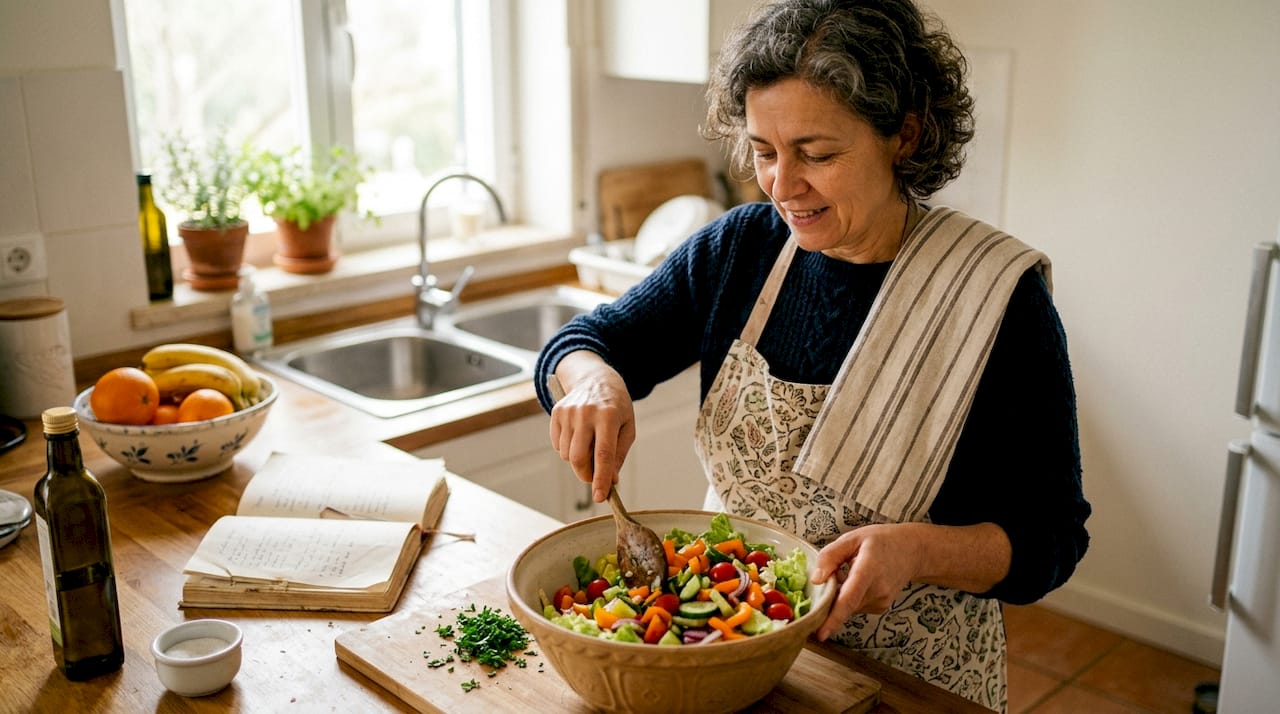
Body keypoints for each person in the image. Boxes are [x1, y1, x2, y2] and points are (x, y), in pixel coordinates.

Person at [535, 1, 1090, 710]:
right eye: (764, 152)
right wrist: (591, 384)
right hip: (730, 655)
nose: (783, 186)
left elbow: (1051, 540)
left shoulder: (995, 297)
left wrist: (919, 552)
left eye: (817, 154)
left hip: (909, 679)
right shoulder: (742, 247)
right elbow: (583, 344)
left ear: (904, 136)